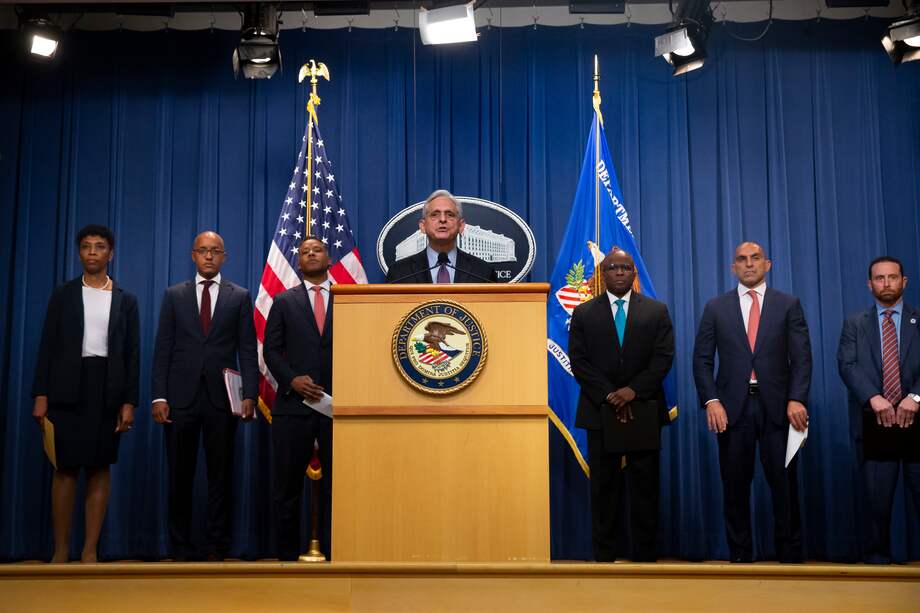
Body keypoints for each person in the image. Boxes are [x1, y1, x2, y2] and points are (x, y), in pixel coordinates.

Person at [692, 241, 811, 563]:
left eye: (755, 258)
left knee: (784, 488)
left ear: (767, 265)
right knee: (734, 487)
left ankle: (789, 557)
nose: (748, 264)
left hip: (780, 410)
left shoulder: (788, 305)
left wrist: (797, 398)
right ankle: (740, 557)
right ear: (733, 268)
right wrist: (712, 401)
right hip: (732, 411)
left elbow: (802, 359)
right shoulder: (716, 307)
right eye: (741, 260)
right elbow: (701, 360)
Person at [32, 224, 139, 563]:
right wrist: (41, 395)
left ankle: (89, 550)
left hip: (106, 389)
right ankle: (61, 550)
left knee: (98, 467)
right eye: (87, 246)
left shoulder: (126, 300)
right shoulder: (62, 295)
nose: (93, 252)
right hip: (65, 389)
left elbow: (133, 354)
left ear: (110, 253)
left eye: (100, 246)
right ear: (79, 253)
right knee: (64, 469)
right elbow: (47, 346)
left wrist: (128, 401)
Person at [151, 231, 258, 561]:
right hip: (180, 399)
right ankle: (180, 547)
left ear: (225, 256)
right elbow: (163, 349)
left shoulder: (239, 296)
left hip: (222, 400)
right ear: (192, 255)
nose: (209, 256)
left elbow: (246, 348)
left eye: (215, 251)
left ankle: (216, 546)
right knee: (179, 477)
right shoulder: (174, 295)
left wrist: (250, 394)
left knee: (220, 477)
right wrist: (158, 396)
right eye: (202, 251)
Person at [569, 248, 674, 562]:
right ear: (602, 273)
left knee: (645, 487)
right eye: (612, 267)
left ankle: (645, 555)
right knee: (604, 488)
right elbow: (579, 361)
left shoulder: (656, 311)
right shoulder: (584, 313)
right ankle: (604, 556)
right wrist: (610, 395)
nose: (618, 272)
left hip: (644, 407)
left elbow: (663, 357)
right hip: (600, 409)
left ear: (633, 273)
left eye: (625, 267)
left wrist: (632, 391)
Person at [837, 256, 920, 564]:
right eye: (880, 278)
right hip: (874, 421)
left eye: (893, 277)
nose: (887, 283)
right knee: (876, 502)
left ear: (904, 281)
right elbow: (846, 364)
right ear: (869, 284)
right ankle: (877, 562)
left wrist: (916, 397)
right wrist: (873, 397)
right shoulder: (855, 323)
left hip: (917, 420)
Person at [263, 237, 334, 561]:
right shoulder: (283, 301)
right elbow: (271, 351)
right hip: (294, 406)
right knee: (287, 488)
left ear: (328, 256)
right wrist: (291, 380)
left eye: (316, 250)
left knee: (341, 488)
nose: (310, 254)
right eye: (304, 252)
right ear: (298, 262)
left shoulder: (349, 297)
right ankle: (286, 557)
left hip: (339, 408)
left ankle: (339, 554)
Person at [384, 189, 498, 283]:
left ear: (461, 225)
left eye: (450, 215)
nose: (443, 220)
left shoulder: (483, 272)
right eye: (434, 215)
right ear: (422, 226)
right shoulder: (399, 273)